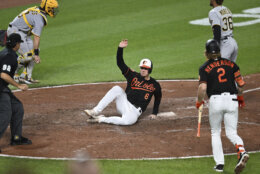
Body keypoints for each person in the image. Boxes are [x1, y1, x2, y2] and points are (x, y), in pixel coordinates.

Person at [196, 39, 249, 173]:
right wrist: (241, 97)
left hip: (216, 101)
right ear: (219, 51)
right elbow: (241, 84)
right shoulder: (232, 64)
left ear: (207, 53)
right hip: (232, 100)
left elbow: (202, 87)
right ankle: (242, 152)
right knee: (232, 132)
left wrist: (199, 101)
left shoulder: (204, 68)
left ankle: (219, 165)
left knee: (215, 132)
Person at [84, 39, 162, 125]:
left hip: (135, 111)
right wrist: (120, 48)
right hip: (124, 103)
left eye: (145, 68)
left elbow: (158, 98)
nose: (143, 70)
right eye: (142, 68)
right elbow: (120, 63)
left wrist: (154, 113)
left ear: (150, 70)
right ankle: (95, 111)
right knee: (117, 88)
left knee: (127, 122)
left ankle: (100, 119)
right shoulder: (133, 75)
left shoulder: (155, 85)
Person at [7, 0, 59, 84]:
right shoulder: (39, 19)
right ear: (48, 8)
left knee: (33, 53)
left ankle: (27, 77)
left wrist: (36, 53)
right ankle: (11, 73)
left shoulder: (38, 11)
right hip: (15, 31)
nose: (54, 11)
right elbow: (36, 37)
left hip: (23, 33)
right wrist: (37, 55)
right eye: (52, 9)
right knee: (28, 56)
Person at [0, 33, 32, 153]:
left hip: (2, 87)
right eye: (19, 43)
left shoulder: (6, 52)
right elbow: (3, 75)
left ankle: (16, 138)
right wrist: (18, 85)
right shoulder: (9, 56)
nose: (19, 45)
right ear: (16, 44)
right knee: (5, 113)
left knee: (17, 107)